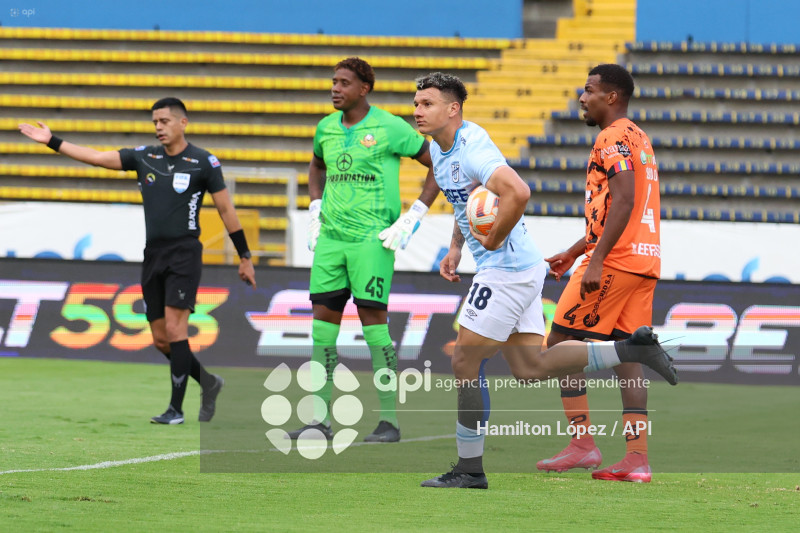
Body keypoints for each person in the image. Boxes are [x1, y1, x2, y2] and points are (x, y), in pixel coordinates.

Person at [411, 72, 676, 489]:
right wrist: (457, 245)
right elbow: (468, 200)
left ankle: (471, 469)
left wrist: (495, 239)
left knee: (465, 359)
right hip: (529, 265)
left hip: (510, 268)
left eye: (426, 103)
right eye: (416, 103)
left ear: (452, 109)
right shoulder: (438, 149)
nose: (417, 111)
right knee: (530, 367)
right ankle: (630, 352)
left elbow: (518, 192)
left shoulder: (475, 148)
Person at [18, 97, 256, 425]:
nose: (158, 127)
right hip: (153, 255)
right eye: (155, 121)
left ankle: (175, 409)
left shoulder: (203, 162)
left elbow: (226, 210)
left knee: (175, 329)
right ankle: (210, 383)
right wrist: (53, 142)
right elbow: (98, 158)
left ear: (182, 123)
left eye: (164, 121)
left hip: (184, 254)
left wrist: (244, 256)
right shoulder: (144, 157)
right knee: (161, 339)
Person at [287, 57, 440, 443]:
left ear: (364, 88)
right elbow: (316, 166)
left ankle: (388, 421)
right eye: (333, 81)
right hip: (330, 241)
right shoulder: (325, 127)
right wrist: (315, 206)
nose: (335, 88)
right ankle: (319, 420)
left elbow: (437, 162)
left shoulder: (390, 127)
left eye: (344, 82)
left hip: (372, 240)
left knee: (373, 323)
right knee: (322, 328)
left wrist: (413, 215)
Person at [536, 64, 662, 483]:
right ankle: (637, 458)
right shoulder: (639, 137)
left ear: (611, 97)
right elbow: (616, 205)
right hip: (644, 261)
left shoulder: (611, 138)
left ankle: (582, 444)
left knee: (559, 342)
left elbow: (624, 200)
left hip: (617, 262)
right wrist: (576, 251)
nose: (581, 97)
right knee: (629, 359)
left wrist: (595, 260)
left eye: (588, 90)